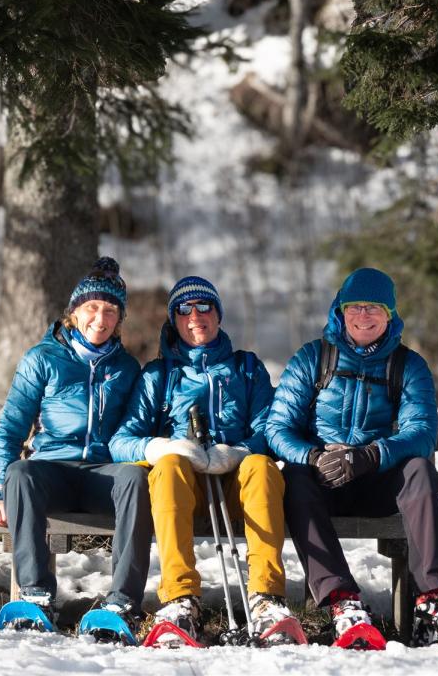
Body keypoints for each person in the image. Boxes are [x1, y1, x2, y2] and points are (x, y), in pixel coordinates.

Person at [266, 267, 438, 645]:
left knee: (418, 469)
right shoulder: (312, 359)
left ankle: (433, 604)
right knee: (295, 478)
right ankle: (343, 603)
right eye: (355, 306)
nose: (363, 316)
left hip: (378, 482)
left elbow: (423, 432)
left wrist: (371, 455)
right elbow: (277, 427)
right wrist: (315, 456)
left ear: (390, 314)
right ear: (340, 309)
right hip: (323, 481)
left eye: (374, 308)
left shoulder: (408, 365)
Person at [109, 275, 298, 641]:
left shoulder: (247, 368)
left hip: (236, 489)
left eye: (204, 306)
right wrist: (162, 447)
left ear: (218, 314)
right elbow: (121, 441)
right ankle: (180, 599)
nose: (195, 316)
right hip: (180, 491)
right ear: (174, 319)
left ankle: (266, 598)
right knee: (168, 466)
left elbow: (270, 431)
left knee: (261, 466)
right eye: (184, 309)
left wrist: (239, 451)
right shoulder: (159, 375)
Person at [0, 257, 151, 631]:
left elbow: (132, 432)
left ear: (119, 319)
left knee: (135, 479)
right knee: (21, 472)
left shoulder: (126, 368)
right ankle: (35, 594)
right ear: (74, 312)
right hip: (53, 472)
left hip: (100, 475)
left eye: (110, 310)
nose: (100, 318)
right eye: (92, 307)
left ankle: (123, 602)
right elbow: (11, 428)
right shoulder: (42, 358)